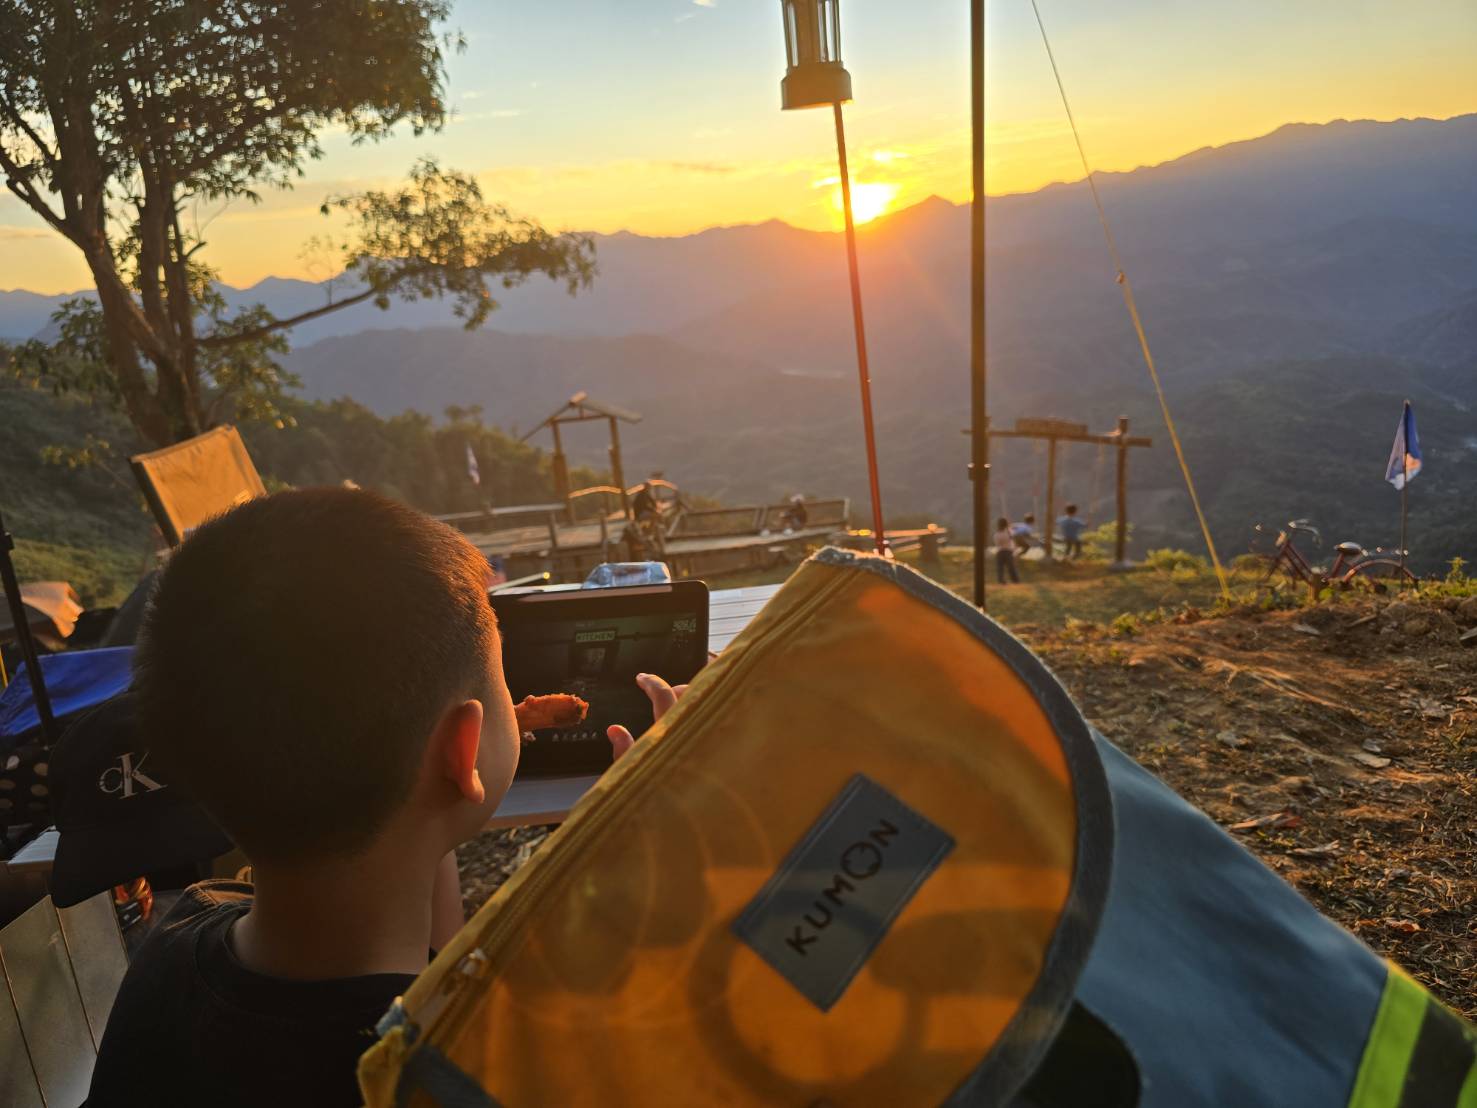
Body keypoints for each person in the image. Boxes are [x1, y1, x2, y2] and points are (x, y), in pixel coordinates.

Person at [85, 489, 678, 1107]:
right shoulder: (486, 1076)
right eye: (505, 685)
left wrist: (448, 766)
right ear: (462, 751)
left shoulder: (178, 942)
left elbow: (430, 959)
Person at [994, 516, 1020, 584]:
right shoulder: (1009, 532)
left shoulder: (997, 534)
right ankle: (1015, 580)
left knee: (1000, 568)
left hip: (1000, 552)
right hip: (1008, 551)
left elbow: (997, 543)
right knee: (1011, 567)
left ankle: (1001, 580)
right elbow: (1013, 539)